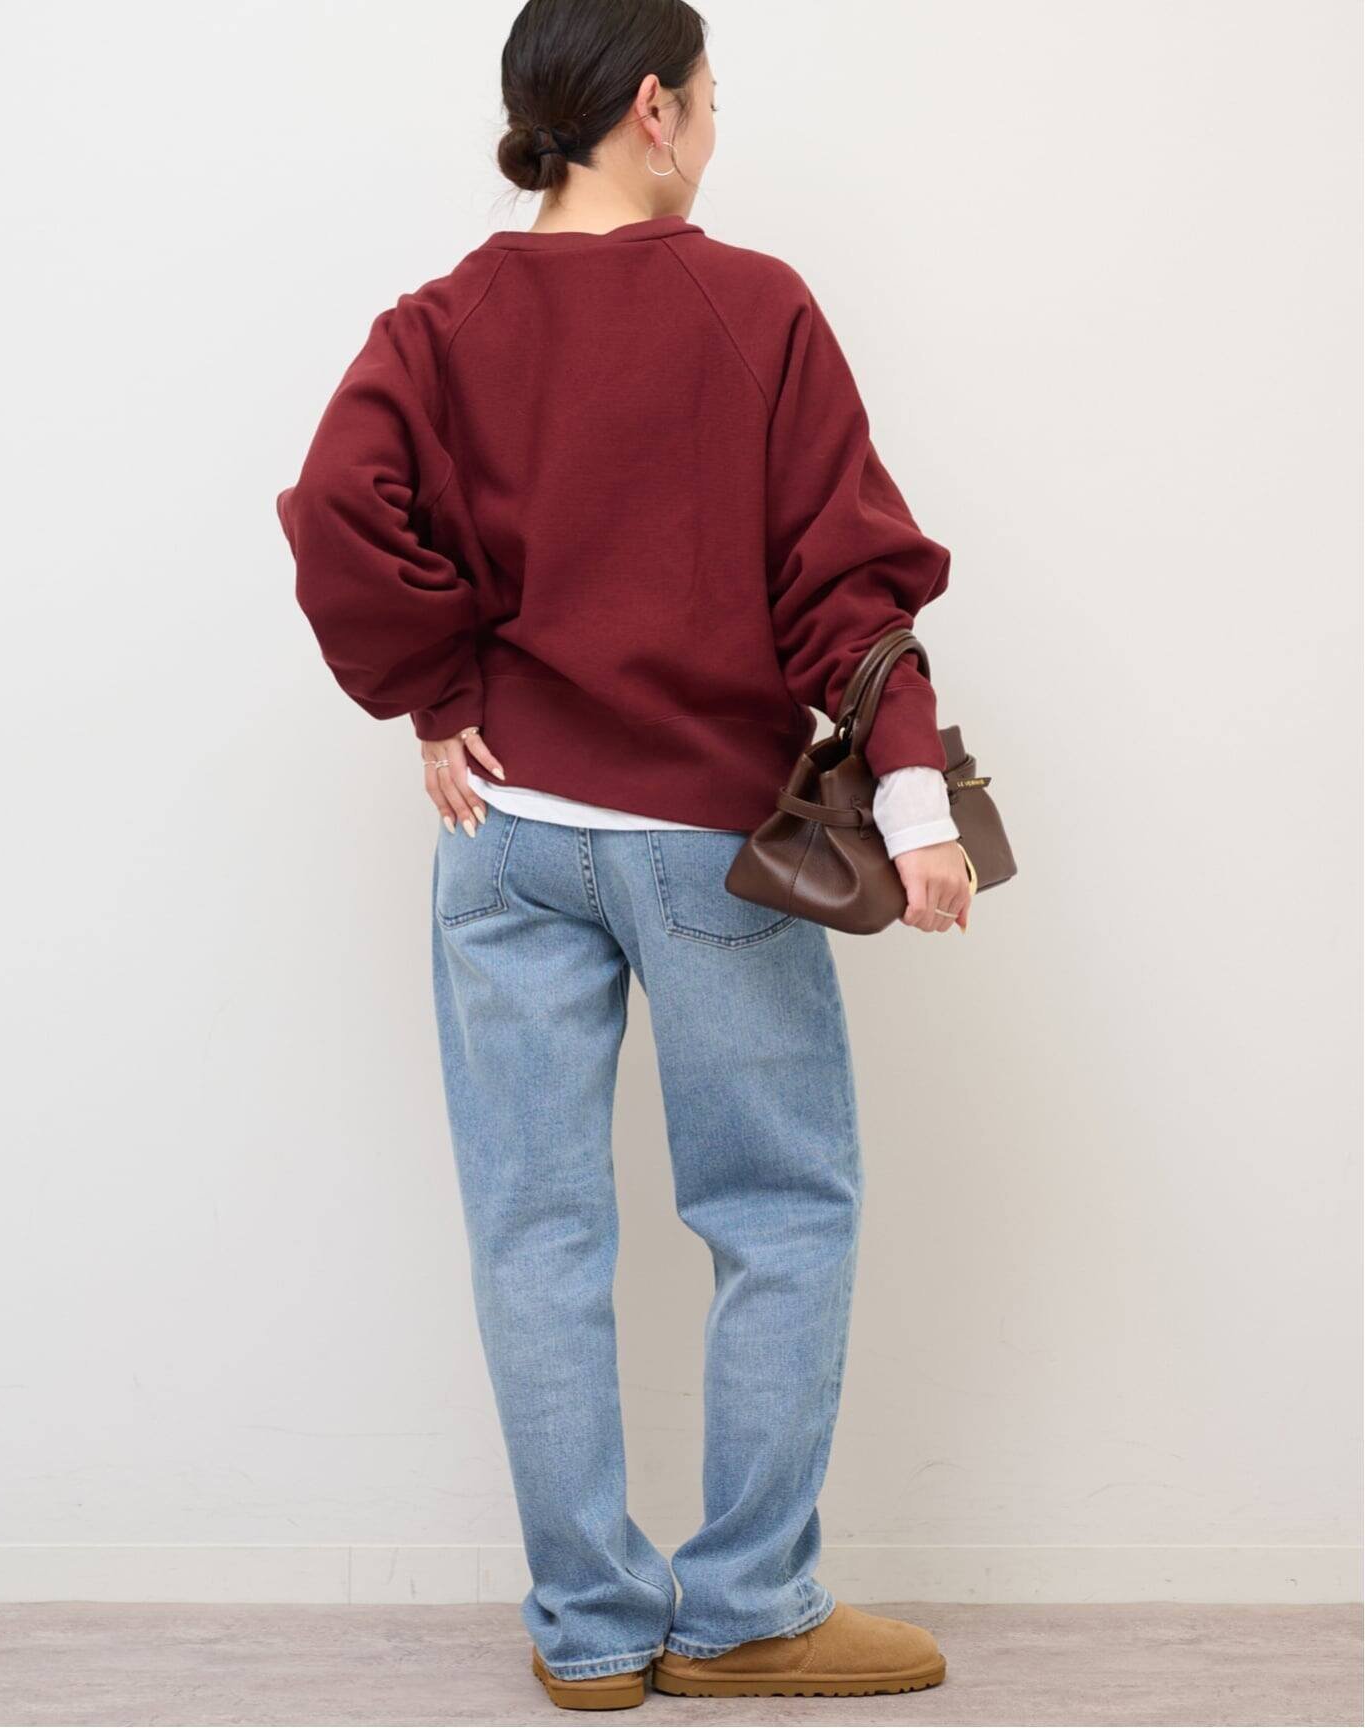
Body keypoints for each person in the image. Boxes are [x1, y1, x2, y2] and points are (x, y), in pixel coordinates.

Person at [278, 0, 970, 1709]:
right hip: (703, 847)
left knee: (535, 1232)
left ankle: (590, 1633)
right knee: (781, 1210)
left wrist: (440, 696)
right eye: (712, 99)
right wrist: (915, 800)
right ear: (652, 109)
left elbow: (335, 507)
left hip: (505, 839)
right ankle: (746, 1612)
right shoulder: (754, 308)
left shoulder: (438, 324)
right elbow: (844, 586)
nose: (718, 131)